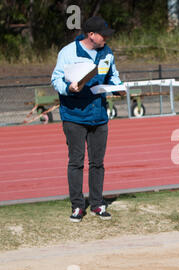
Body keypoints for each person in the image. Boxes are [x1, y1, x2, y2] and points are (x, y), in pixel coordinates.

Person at [51, 16, 124, 223]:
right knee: (76, 162)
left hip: (99, 116)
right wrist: (68, 88)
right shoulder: (68, 52)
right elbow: (55, 78)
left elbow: (112, 75)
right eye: (103, 35)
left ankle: (97, 203)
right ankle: (77, 206)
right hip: (74, 115)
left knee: (97, 163)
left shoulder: (107, 52)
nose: (106, 39)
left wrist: (118, 88)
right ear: (91, 35)